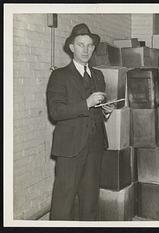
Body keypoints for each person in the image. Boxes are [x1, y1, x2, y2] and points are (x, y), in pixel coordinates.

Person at [47, 23, 114, 220]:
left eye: (90, 45)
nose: (86, 50)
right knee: (63, 204)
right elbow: (55, 112)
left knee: (90, 203)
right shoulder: (59, 76)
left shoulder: (99, 75)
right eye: (81, 44)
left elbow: (97, 111)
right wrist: (86, 103)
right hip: (69, 149)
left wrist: (106, 112)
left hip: (94, 147)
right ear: (71, 47)